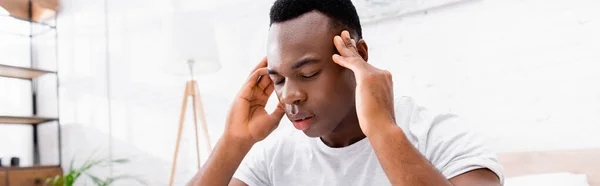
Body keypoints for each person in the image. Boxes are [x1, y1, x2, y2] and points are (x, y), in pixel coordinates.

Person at [188, 0, 503, 185]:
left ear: (358, 56)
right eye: (279, 80)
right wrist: (234, 142)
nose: (289, 96)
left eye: (308, 73)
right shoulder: (275, 159)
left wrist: (381, 129)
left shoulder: (441, 138)